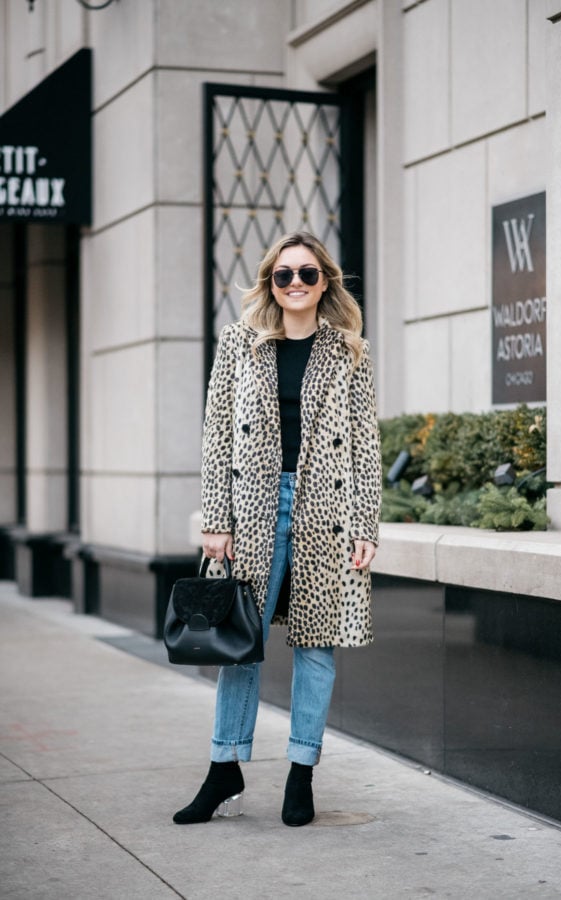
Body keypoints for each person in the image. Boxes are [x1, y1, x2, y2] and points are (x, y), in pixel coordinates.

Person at [173, 231, 382, 827]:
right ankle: (224, 767)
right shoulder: (240, 343)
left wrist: (367, 523)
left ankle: (301, 773)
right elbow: (215, 436)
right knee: (240, 643)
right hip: (254, 510)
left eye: (307, 274)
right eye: (283, 274)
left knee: (316, 648)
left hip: (326, 510)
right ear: (270, 282)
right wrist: (216, 519)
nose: (295, 284)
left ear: (325, 283)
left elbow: (366, 445)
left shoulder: (349, 351)